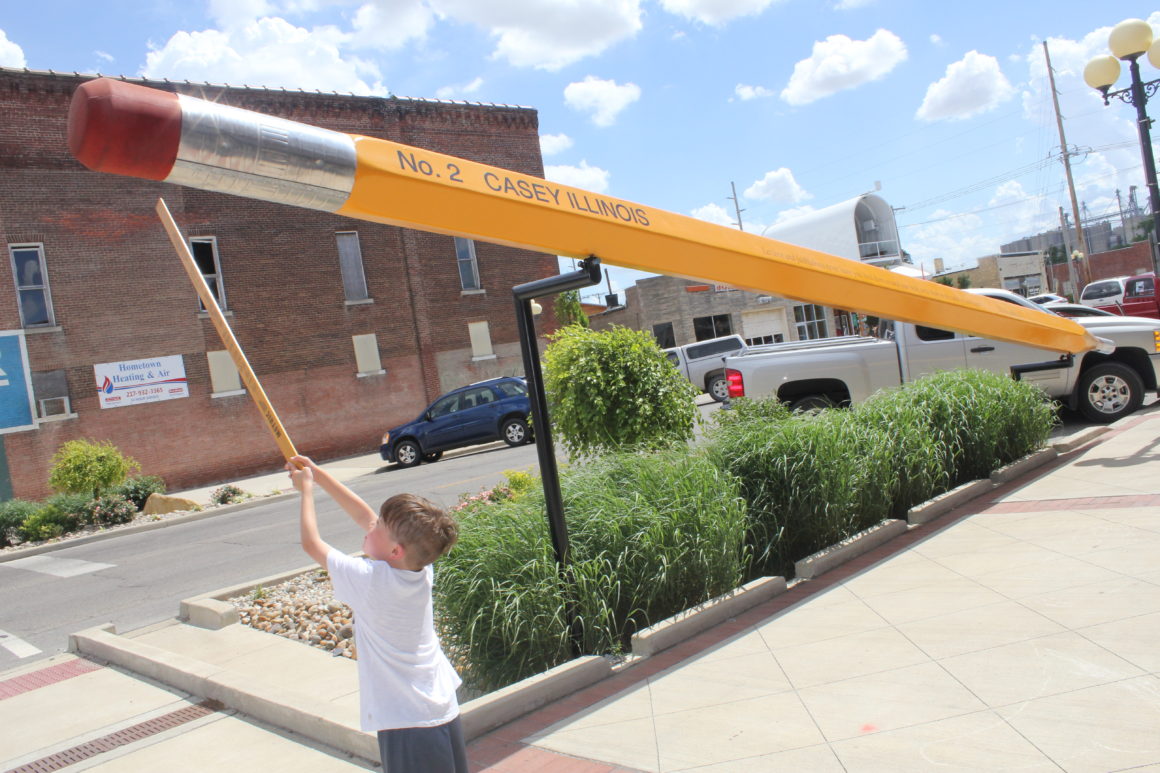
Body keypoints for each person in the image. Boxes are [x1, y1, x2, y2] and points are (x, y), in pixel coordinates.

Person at [286, 455, 467, 773]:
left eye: (380, 525)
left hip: (408, 723)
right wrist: (317, 474)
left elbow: (311, 544)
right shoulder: (419, 569)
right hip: (440, 707)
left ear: (396, 550)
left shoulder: (370, 580)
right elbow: (365, 516)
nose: (371, 525)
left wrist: (306, 491)